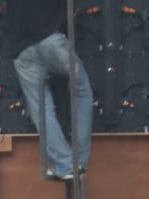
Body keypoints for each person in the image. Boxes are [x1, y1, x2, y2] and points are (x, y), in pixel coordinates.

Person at [6, 1, 93, 181]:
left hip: (22, 50)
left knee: (41, 110)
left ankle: (65, 164)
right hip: (53, 41)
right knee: (82, 91)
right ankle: (78, 162)